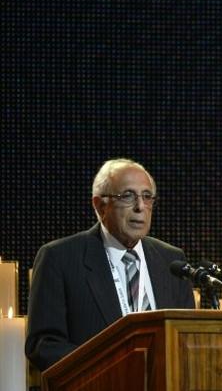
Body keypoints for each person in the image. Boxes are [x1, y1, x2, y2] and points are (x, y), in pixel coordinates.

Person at [25, 158, 195, 371]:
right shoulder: (59, 258)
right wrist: (109, 368)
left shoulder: (172, 260)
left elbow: (187, 340)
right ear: (100, 205)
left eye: (147, 196)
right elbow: (43, 345)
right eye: (127, 196)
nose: (140, 207)